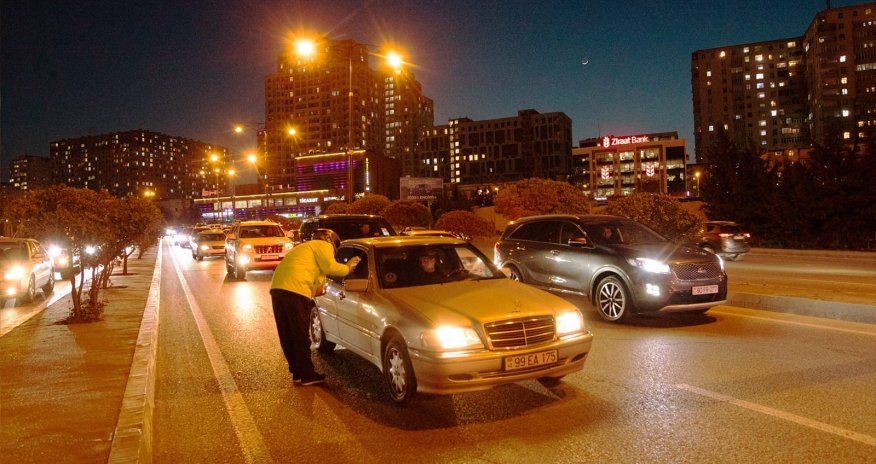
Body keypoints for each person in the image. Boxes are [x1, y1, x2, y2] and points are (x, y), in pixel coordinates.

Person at [269, 228, 360, 386]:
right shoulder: (322, 245)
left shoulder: (304, 249)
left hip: (278, 288)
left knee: (287, 334)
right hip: (295, 290)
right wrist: (348, 268)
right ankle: (307, 375)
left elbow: (318, 279)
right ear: (330, 241)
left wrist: (317, 288)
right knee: (300, 335)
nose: (333, 251)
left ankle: (297, 373)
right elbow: (330, 267)